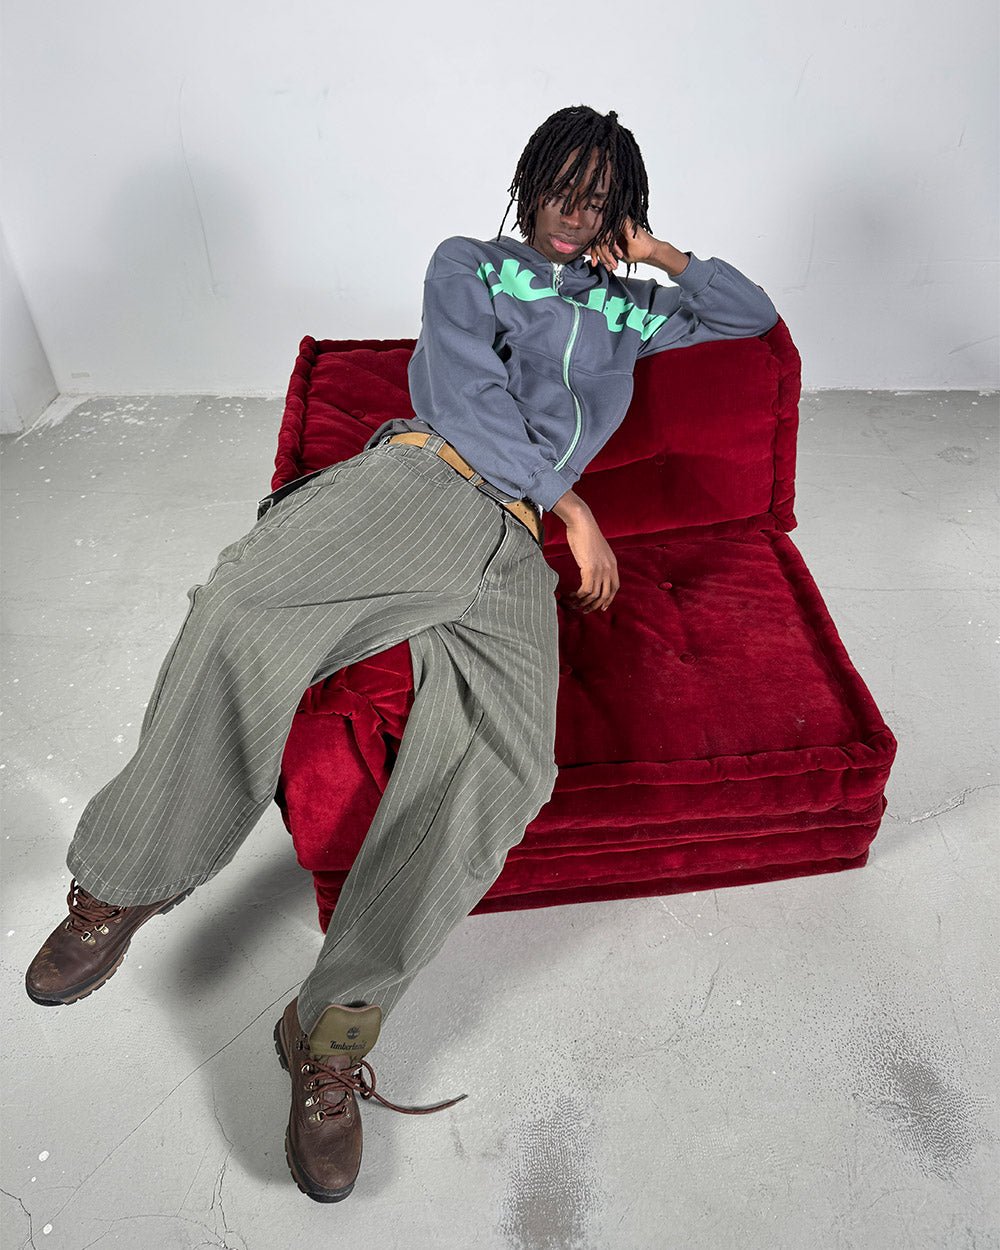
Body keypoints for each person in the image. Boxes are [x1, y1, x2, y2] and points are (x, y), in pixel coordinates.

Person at [24, 104, 778, 1203]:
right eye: (560, 189)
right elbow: (468, 394)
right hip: (430, 480)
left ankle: (329, 1030)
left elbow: (749, 314)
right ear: (528, 184)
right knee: (239, 604)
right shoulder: (473, 263)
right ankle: (121, 884)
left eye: (598, 199)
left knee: (508, 764)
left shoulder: (625, 307)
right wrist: (573, 504)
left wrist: (658, 252)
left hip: (511, 551)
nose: (574, 215)